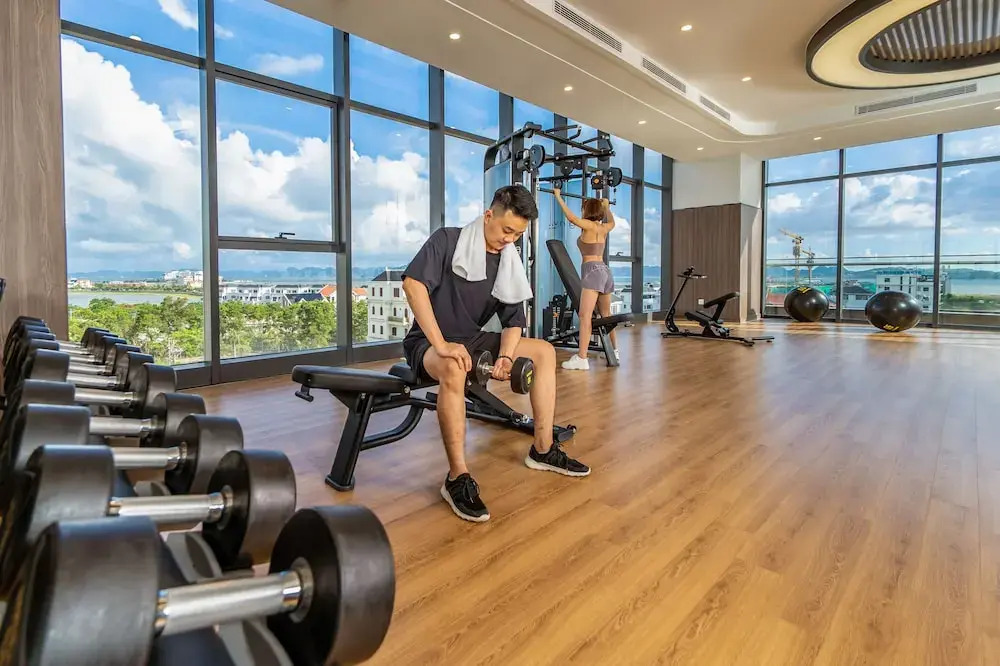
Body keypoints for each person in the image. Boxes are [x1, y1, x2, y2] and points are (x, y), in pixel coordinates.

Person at [401, 184, 591, 522]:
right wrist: (442, 345)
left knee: (544, 351)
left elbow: (513, 321)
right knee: (453, 366)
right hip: (428, 343)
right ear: (488, 215)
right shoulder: (448, 240)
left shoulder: (507, 260)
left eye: (517, 234)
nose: (509, 239)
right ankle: (457, 477)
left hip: (472, 339)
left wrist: (505, 357)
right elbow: (413, 285)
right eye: (506, 230)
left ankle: (543, 449)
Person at [553, 188, 617, 370]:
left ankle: (582, 358)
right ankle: (615, 351)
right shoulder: (604, 228)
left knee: (584, 315)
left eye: (583, 209)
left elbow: (572, 218)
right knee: (606, 315)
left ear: (587, 210)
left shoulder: (588, 225)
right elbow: (612, 222)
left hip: (592, 270)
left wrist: (558, 197)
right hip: (605, 271)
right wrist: (607, 207)